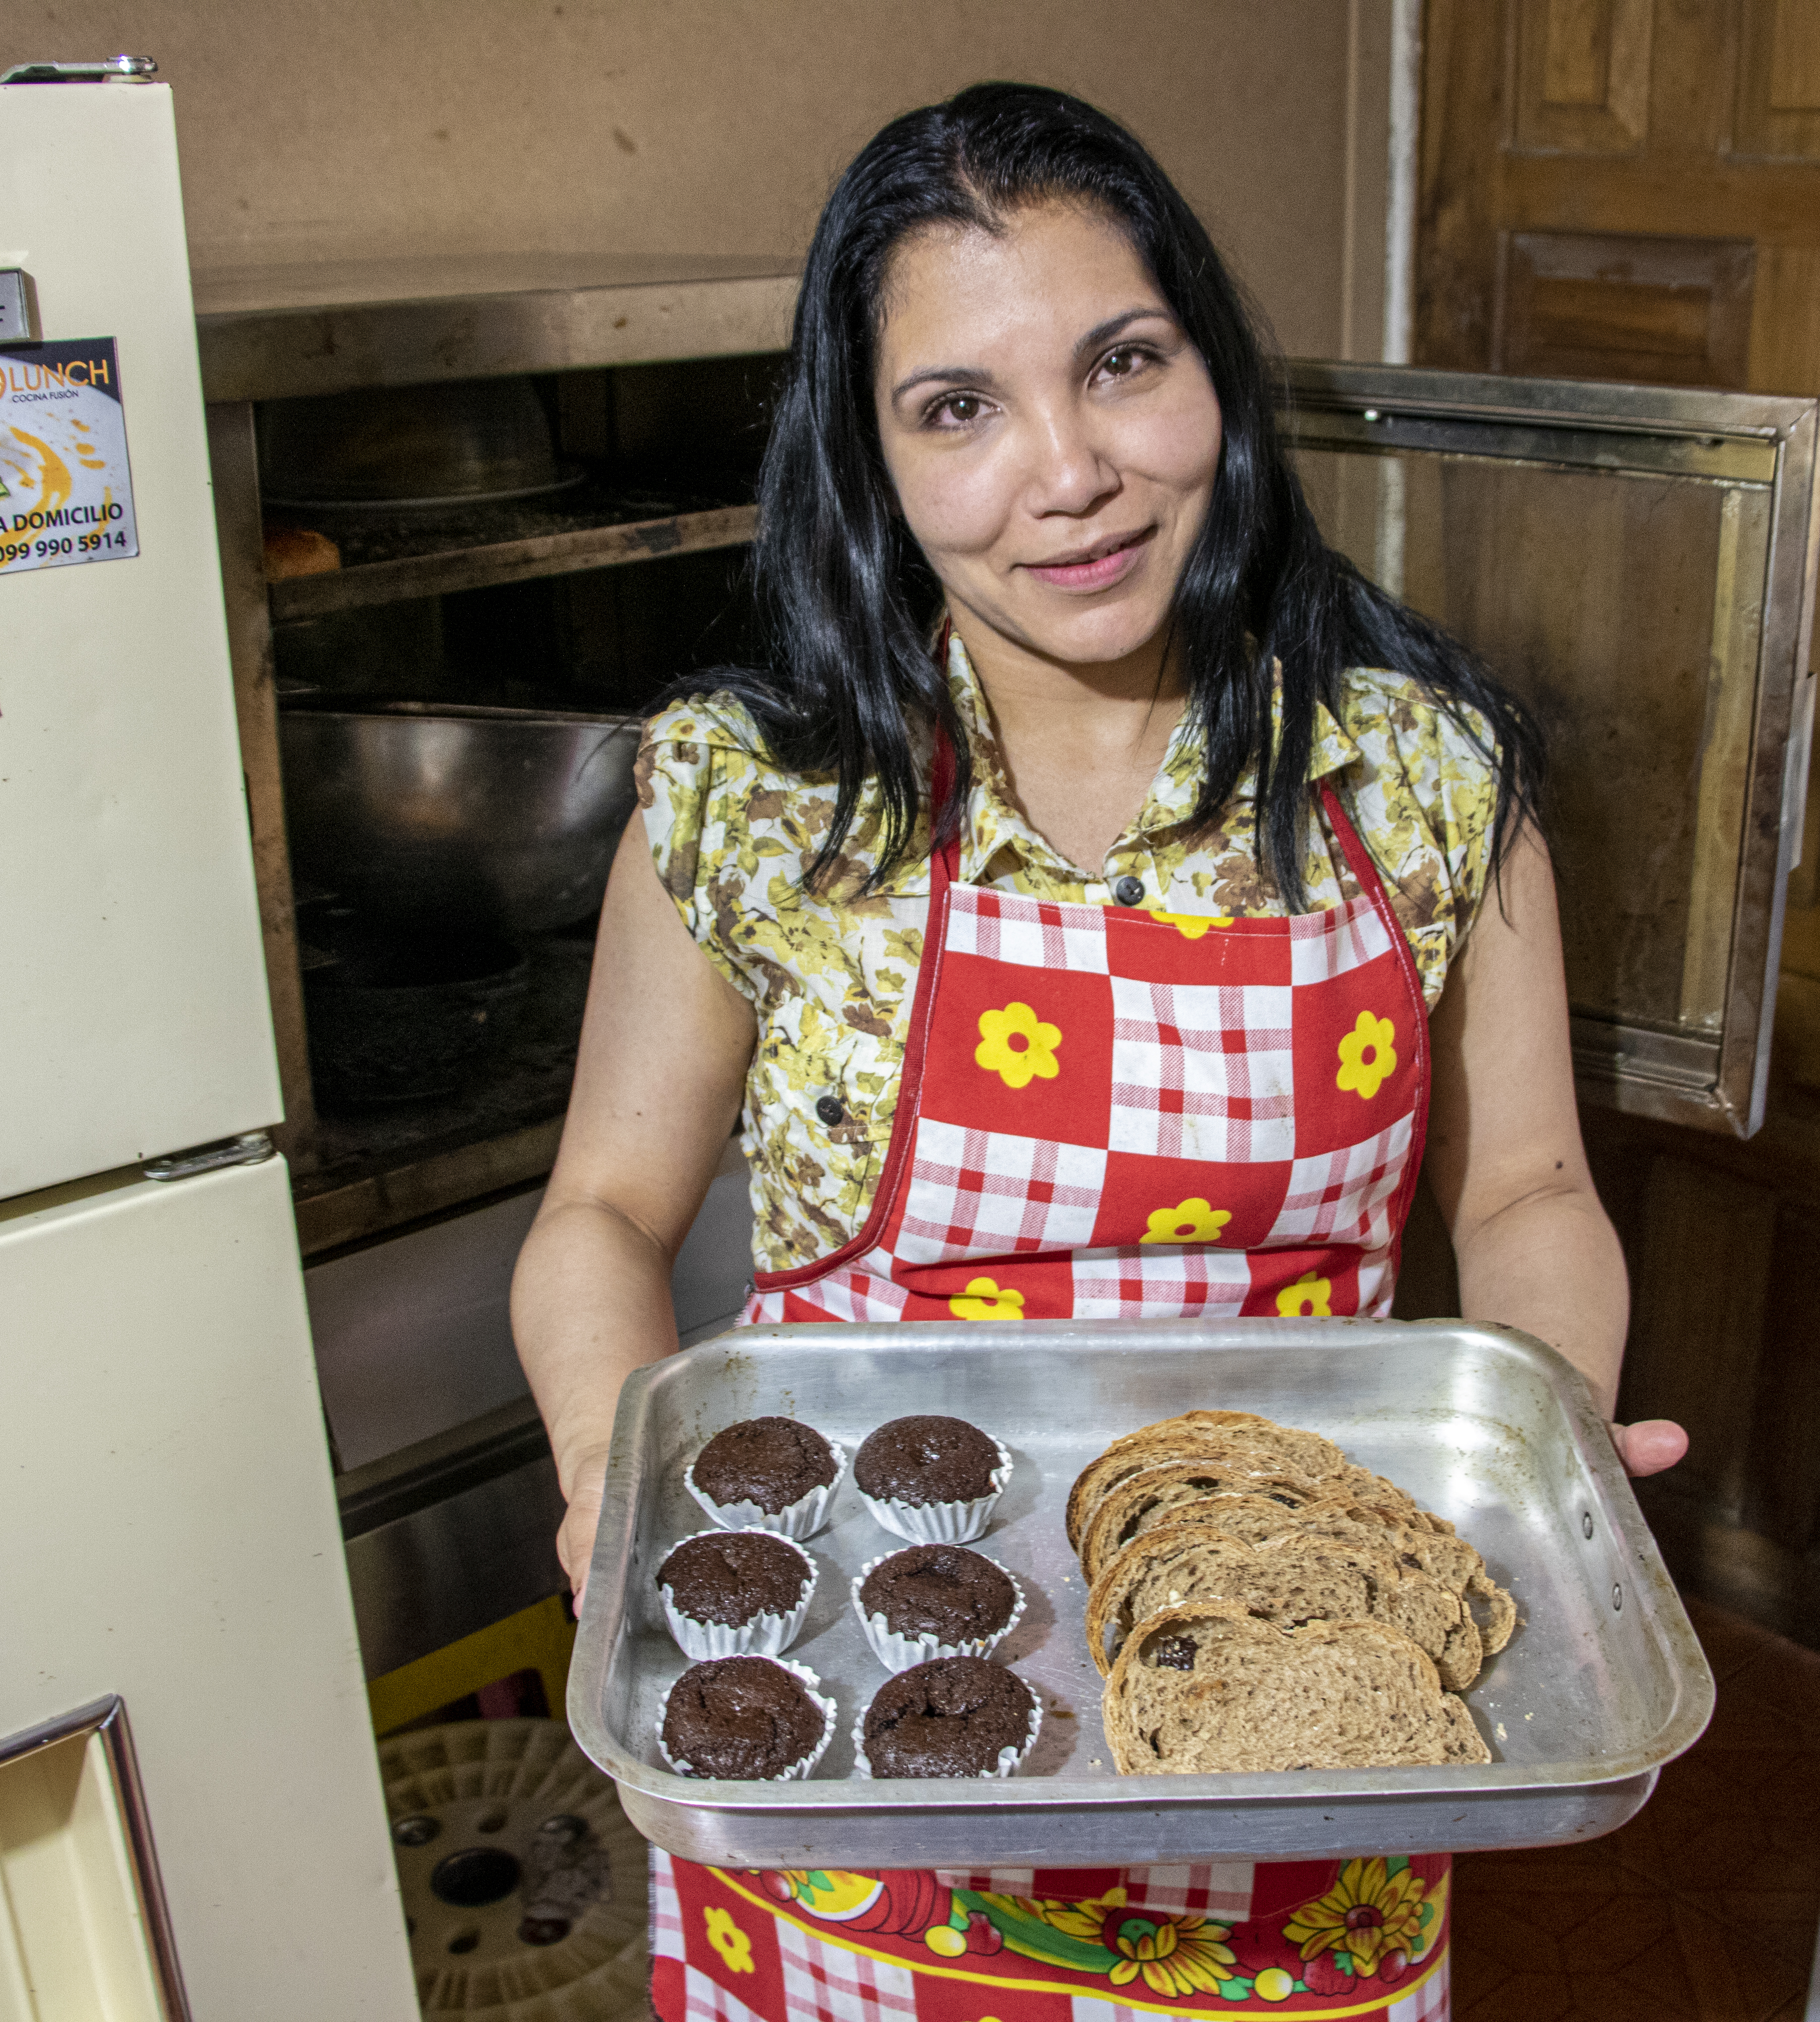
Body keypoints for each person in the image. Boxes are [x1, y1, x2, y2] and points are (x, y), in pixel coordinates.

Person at [511, 81, 1687, 2022]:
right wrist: (608, 1475)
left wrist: (1525, 1479)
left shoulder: (1415, 779)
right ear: (868, 459)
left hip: (1308, 1746)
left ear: (1212, 373)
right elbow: (605, 1214)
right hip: (856, 1780)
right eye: (957, 409)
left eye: (1121, 364)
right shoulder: (756, 797)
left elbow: (1526, 1186)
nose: (1068, 475)